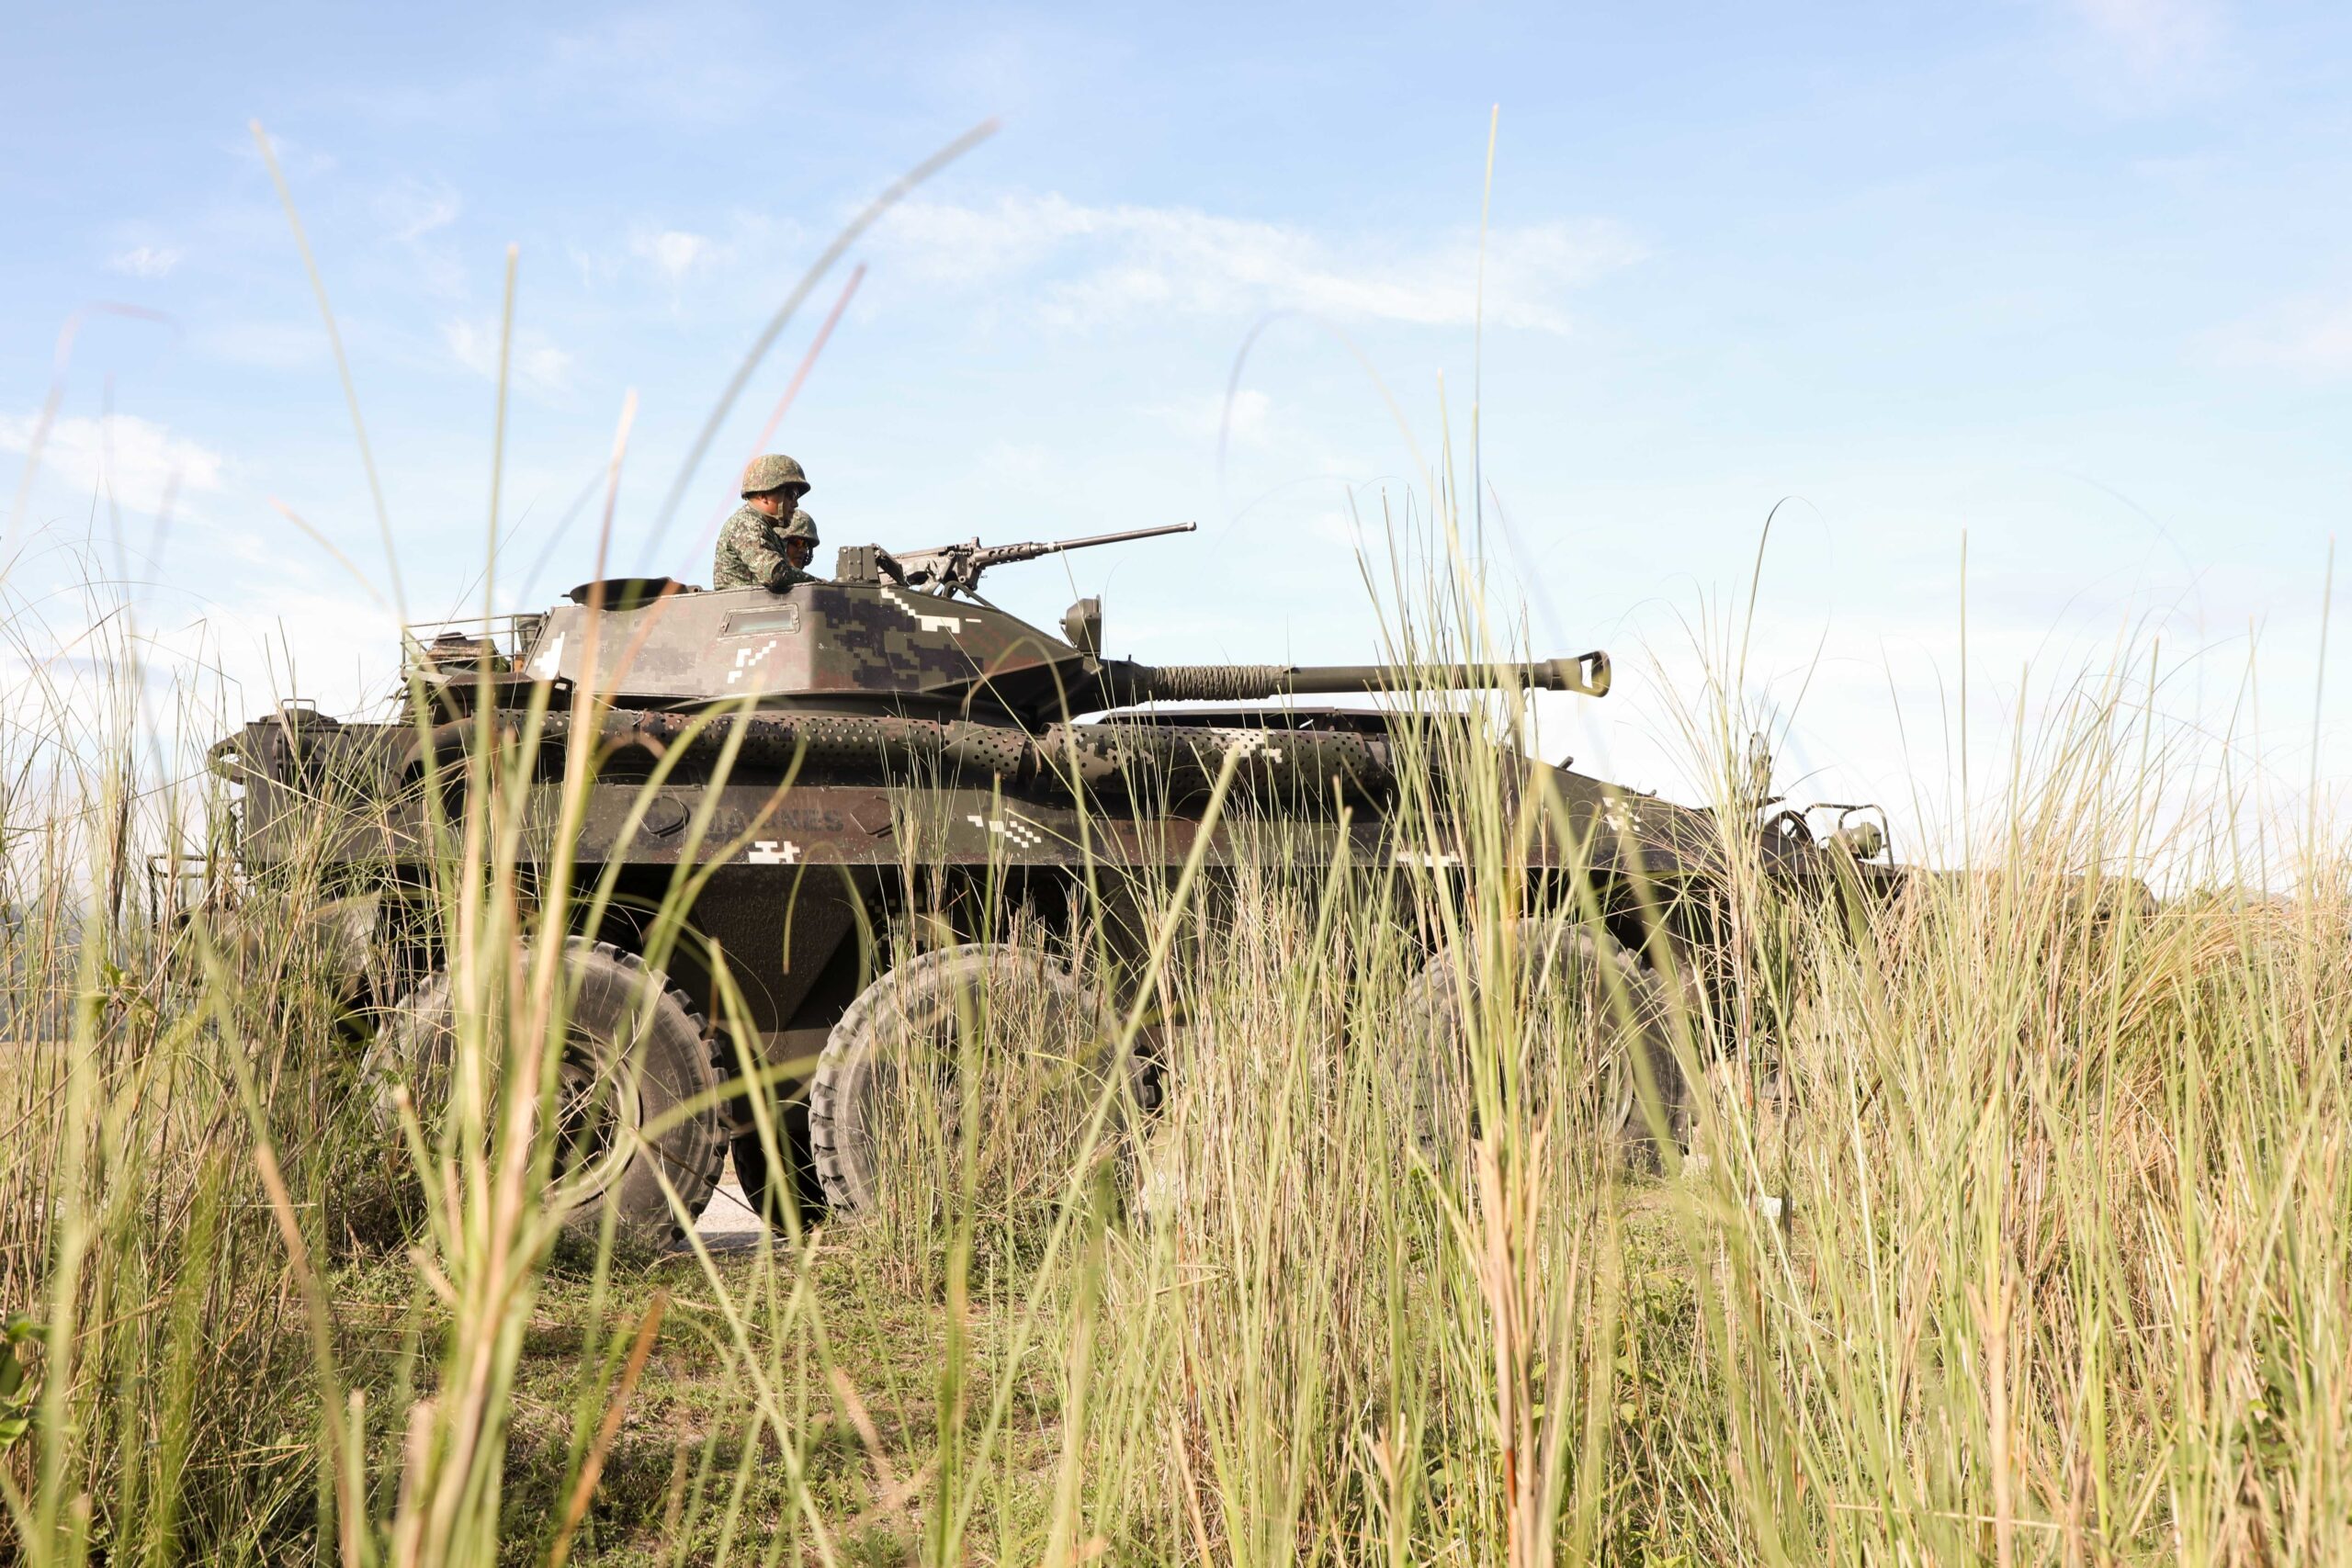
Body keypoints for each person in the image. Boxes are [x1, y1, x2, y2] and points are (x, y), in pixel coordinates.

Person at [713, 455, 823, 591]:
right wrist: (817, 583)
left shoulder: (764, 527)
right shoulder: (745, 523)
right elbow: (774, 573)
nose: (795, 504)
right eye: (791, 495)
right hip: (745, 608)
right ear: (763, 496)